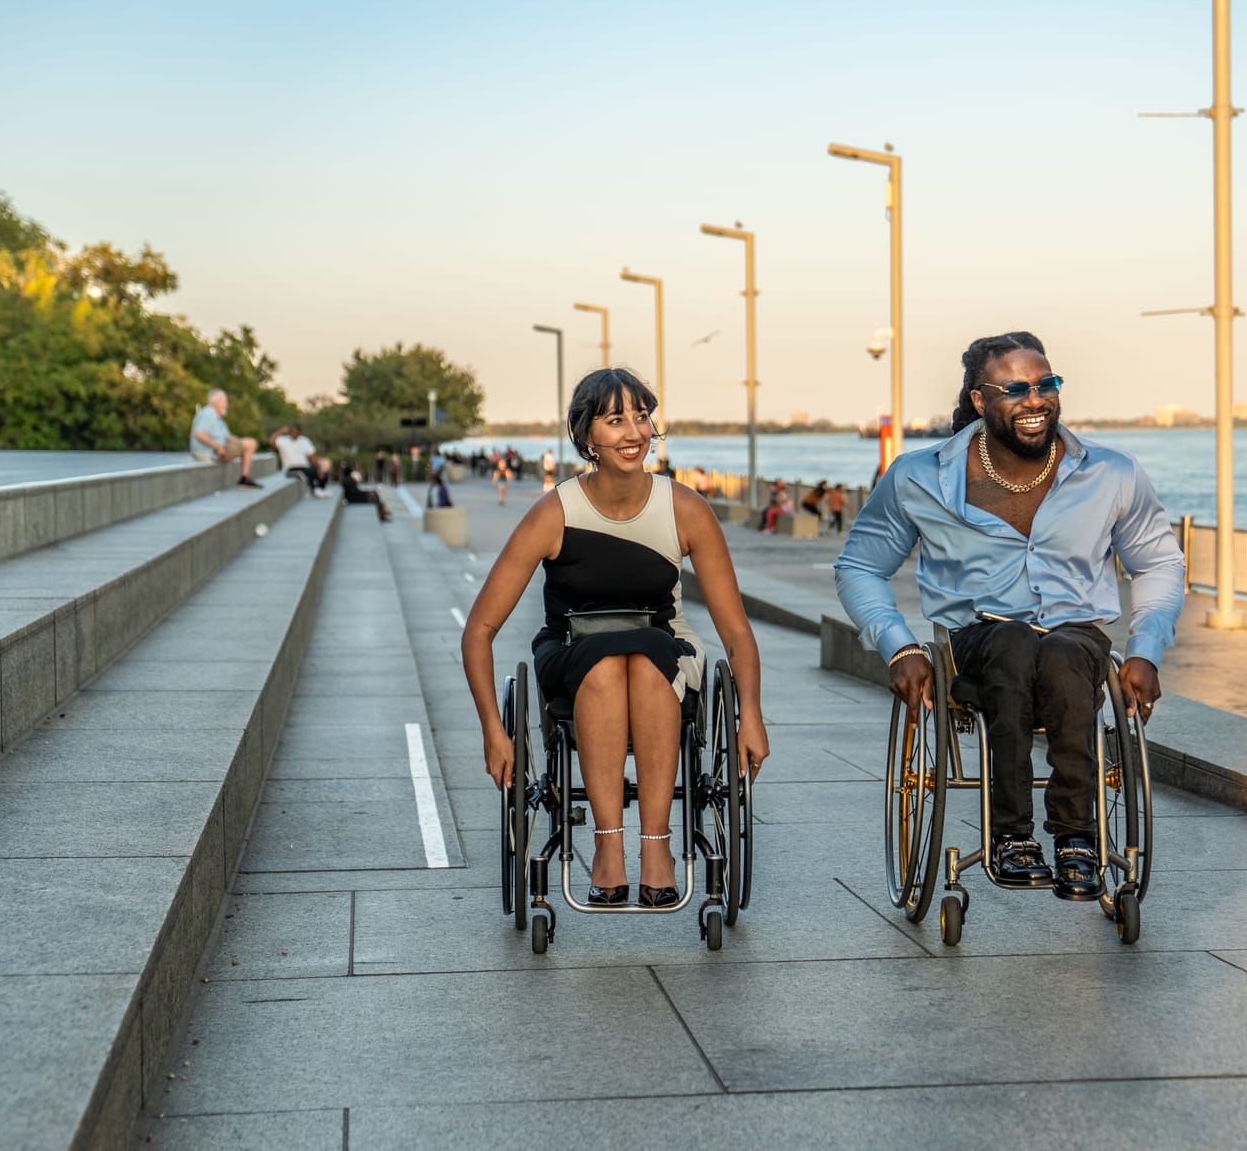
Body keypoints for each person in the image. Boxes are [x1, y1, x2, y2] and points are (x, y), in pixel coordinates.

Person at [834, 331, 1185, 901]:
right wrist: (897, 646)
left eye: (1047, 384)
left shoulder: (1112, 473)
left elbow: (1160, 563)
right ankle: (1010, 837)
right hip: (979, 640)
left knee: (1068, 653)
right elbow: (859, 566)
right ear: (980, 400)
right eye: (1016, 388)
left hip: (1076, 637)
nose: (1036, 399)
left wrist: (1145, 648)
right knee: (1015, 642)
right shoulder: (918, 477)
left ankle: (1077, 839)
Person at [462, 368, 769, 906]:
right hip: (573, 648)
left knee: (648, 659)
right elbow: (479, 631)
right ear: (586, 438)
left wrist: (751, 717)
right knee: (605, 666)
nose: (633, 432)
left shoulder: (687, 509)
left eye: (641, 416)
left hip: (661, 644)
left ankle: (657, 846)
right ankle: (608, 846)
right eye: (615, 419)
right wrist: (494, 729)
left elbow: (737, 633)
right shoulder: (554, 512)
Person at [189, 389, 262, 488]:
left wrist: (237, 441)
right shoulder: (208, 413)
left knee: (248, 443)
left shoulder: (218, 417)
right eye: (224, 401)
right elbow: (199, 434)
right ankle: (244, 478)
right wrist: (218, 447)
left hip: (218, 450)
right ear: (216, 402)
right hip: (209, 453)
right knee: (251, 443)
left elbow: (227, 437)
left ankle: (245, 477)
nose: (226, 404)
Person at [269, 424, 330, 496]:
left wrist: (319, 469)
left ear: (300, 432)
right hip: (290, 468)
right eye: (292, 431)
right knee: (304, 473)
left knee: (322, 472)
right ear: (289, 431)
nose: (294, 433)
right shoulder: (283, 440)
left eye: (296, 431)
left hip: (304, 467)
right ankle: (314, 490)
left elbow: (312, 457)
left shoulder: (305, 440)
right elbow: (270, 441)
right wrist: (281, 431)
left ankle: (319, 489)